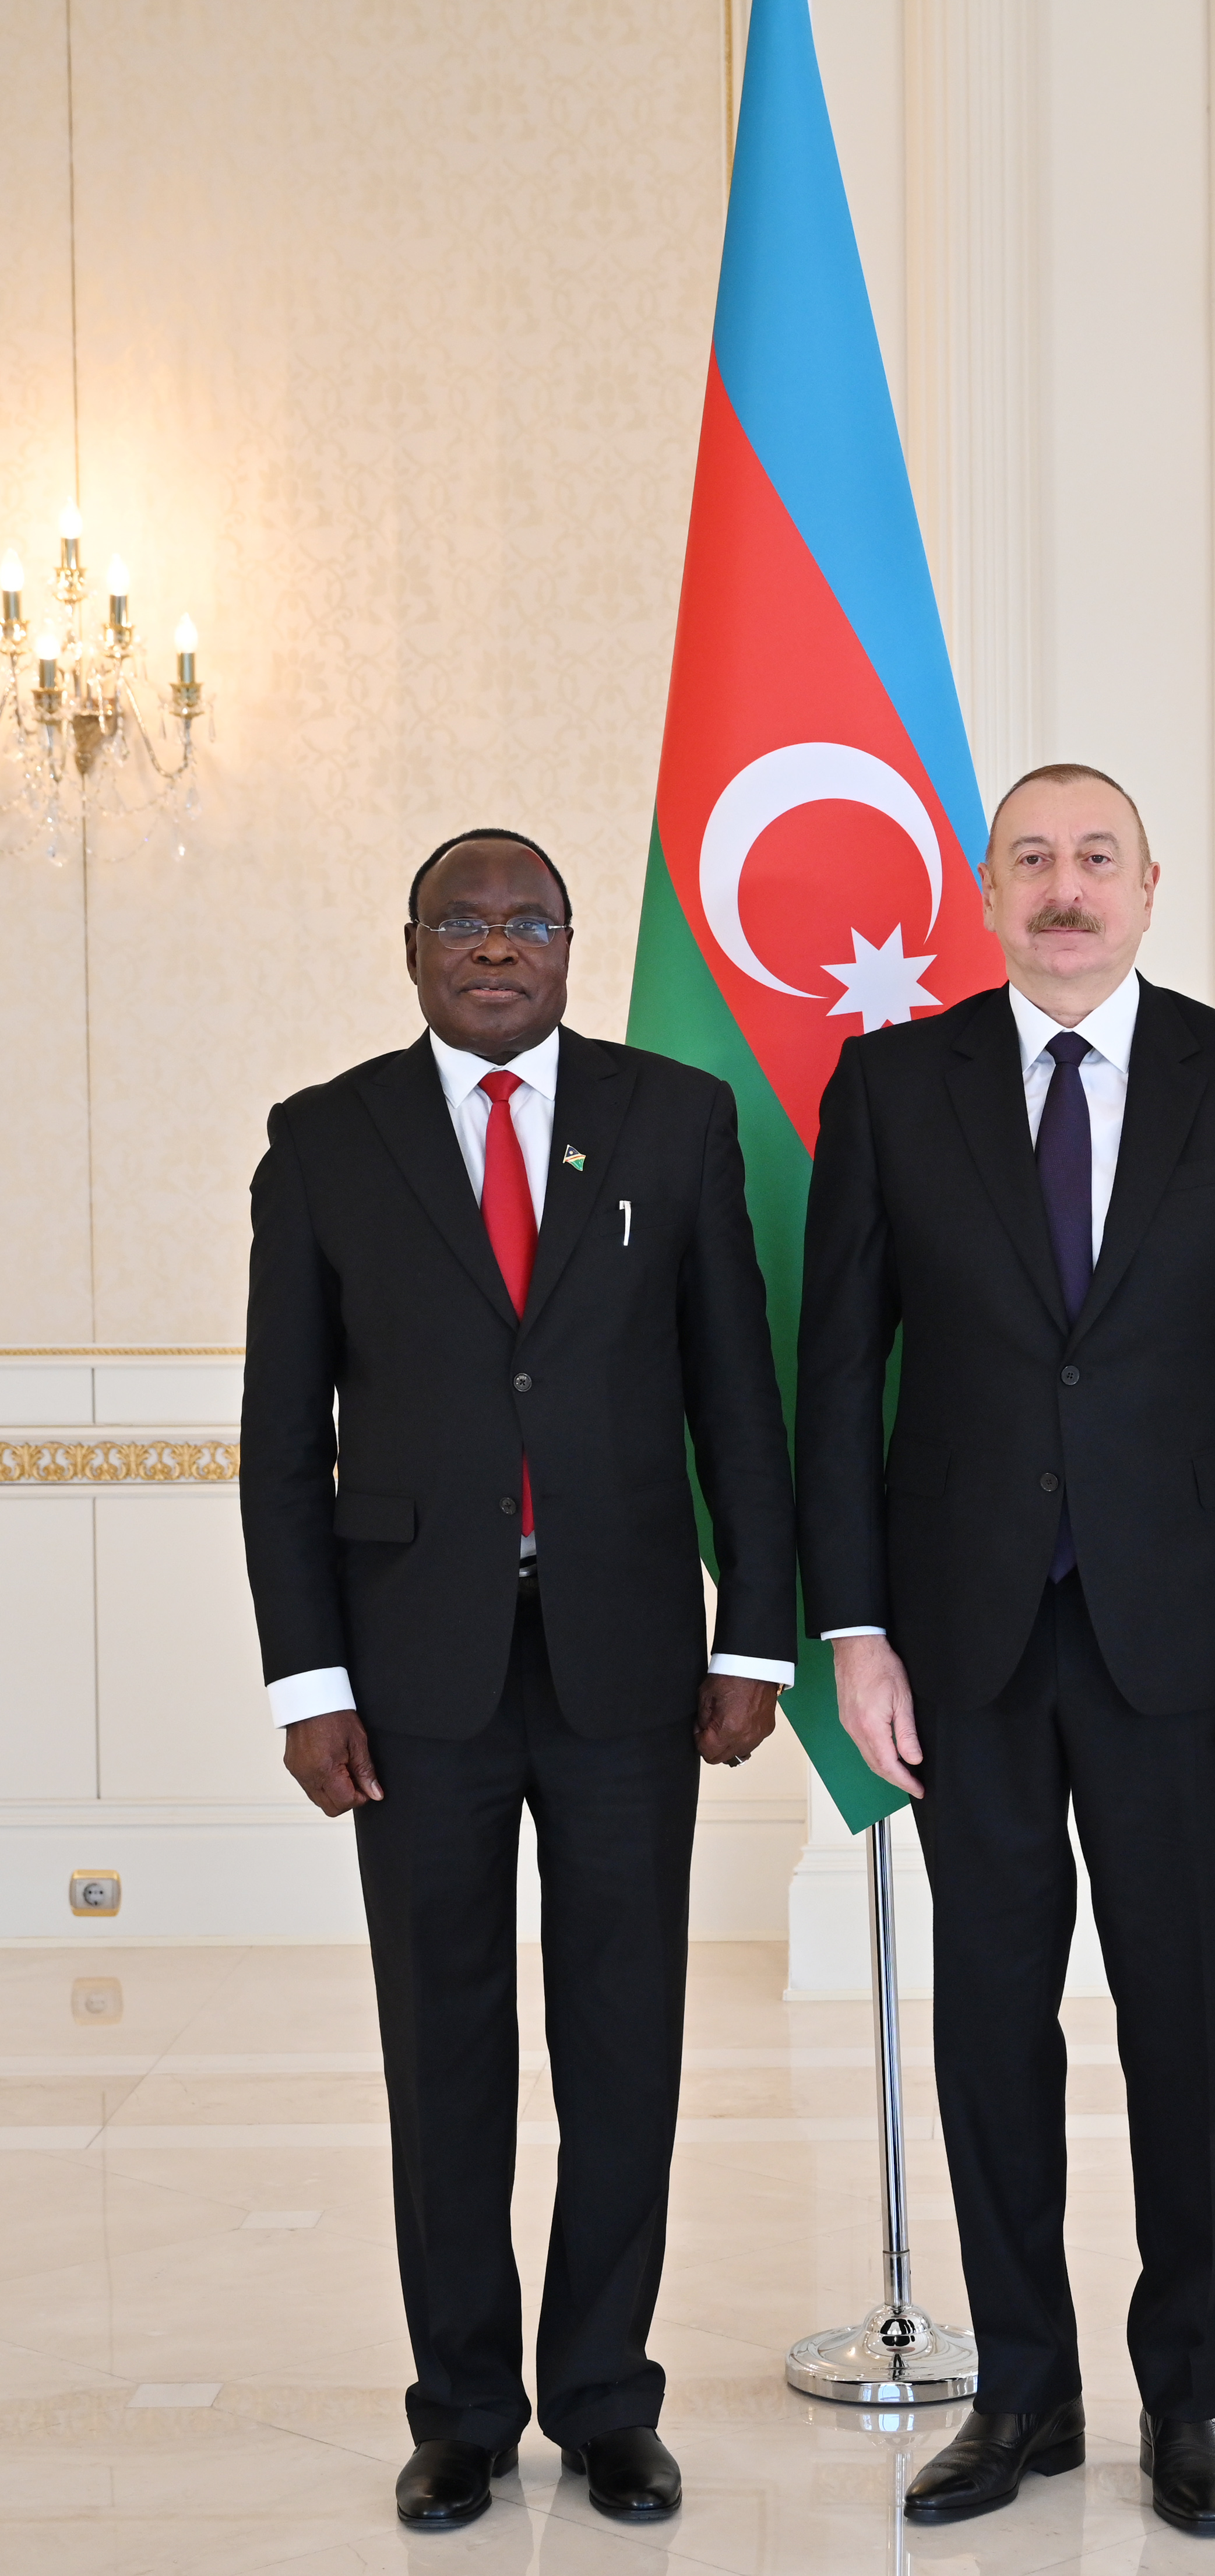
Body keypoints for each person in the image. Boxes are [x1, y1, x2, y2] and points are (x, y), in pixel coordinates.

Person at [795, 763, 1215, 2536]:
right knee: (991, 2029)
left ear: (1150, 888)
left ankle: (1183, 2405)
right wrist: (856, 1628)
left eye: (1096, 859)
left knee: (1178, 2025)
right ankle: (1026, 2398)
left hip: (1194, 1650)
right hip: (963, 1645)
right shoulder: (895, 1084)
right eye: (1033, 860)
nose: (1065, 889)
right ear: (985, 895)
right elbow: (834, 1377)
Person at [238, 829, 797, 2531]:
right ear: (411, 946)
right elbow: (282, 1442)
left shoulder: (669, 1121)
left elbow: (736, 1403)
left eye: (527, 920)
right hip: (411, 1676)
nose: (496, 945)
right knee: (447, 2044)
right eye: (462, 922)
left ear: (569, 945)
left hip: (632, 1655)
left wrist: (753, 1633)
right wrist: (305, 1679)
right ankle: (466, 2408)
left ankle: (608, 2400)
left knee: (627, 2038)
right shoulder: (326, 1142)